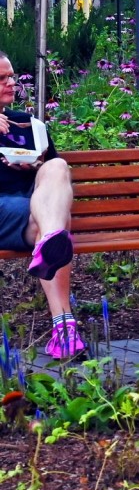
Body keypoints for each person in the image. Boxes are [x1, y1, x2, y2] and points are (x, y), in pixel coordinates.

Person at [0, 56, 82, 359]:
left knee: (57, 166)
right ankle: (65, 329)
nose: (11, 83)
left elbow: (53, 183)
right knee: (57, 224)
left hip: (33, 215)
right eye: (1, 79)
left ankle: (49, 241)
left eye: (11, 75)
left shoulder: (28, 125)